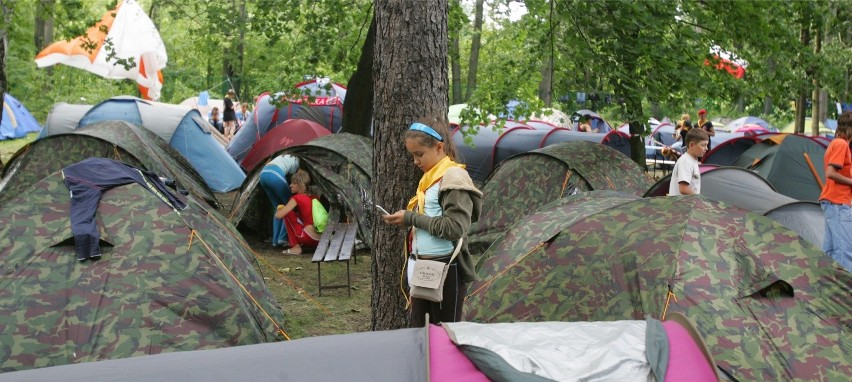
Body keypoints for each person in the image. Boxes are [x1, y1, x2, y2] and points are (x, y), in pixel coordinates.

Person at [382, 118, 483, 327]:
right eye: (412, 155)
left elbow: (455, 227)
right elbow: (431, 220)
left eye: (419, 154)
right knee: (422, 330)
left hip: (447, 268)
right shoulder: (429, 179)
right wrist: (408, 222)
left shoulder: (453, 177)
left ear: (439, 147)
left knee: (446, 333)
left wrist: (411, 217)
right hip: (424, 265)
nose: (415, 161)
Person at [819, 111, 852, 272]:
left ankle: (827, 288)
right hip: (838, 202)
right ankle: (845, 293)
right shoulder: (841, 144)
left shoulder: (835, 143)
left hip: (832, 201)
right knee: (844, 251)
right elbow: (830, 173)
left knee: (830, 251)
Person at [275, 170, 320, 255]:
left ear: (300, 185)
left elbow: (278, 216)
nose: (290, 185)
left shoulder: (297, 198)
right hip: (319, 240)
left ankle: (295, 247)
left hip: (307, 237)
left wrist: (279, 209)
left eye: (293, 183)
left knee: (287, 212)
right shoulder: (314, 197)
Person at [260, 154, 300, 247]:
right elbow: (295, 178)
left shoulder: (283, 156)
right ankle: (282, 238)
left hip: (263, 175)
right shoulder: (296, 159)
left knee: (278, 207)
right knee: (289, 206)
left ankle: (275, 240)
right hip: (274, 174)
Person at [668, 128, 709, 196]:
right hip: (681, 205)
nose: (706, 148)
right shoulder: (686, 162)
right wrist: (699, 200)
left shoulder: (691, 160)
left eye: (706, 145)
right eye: (703, 145)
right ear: (691, 145)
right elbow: (683, 189)